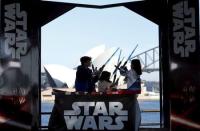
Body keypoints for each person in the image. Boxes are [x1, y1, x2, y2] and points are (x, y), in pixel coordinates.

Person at [119, 59, 142, 131]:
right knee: (135, 109)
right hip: (135, 92)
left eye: (131, 64)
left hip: (131, 93)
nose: (130, 65)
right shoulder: (137, 72)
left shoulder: (131, 71)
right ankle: (136, 126)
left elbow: (123, 73)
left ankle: (132, 127)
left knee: (131, 111)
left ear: (133, 65)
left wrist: (121, 68)